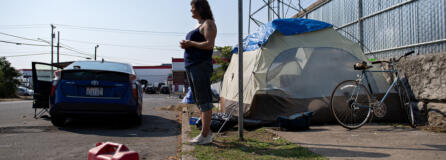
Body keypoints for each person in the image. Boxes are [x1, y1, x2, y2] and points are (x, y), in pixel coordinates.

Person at [180, 0, 217, 145]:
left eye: (192, 7)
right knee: (199, 101)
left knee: (204, 100)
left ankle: (205, 135)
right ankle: (205, 132)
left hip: (200, 66)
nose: (190, 10)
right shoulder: (198, 25)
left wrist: (191, 43)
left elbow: (209, 44)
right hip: (192, 66)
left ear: (200, 8)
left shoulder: (209, 24)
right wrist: (187, 45)